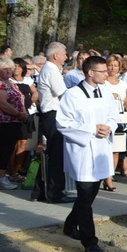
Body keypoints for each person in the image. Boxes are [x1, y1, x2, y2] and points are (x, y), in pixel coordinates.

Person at [57, 56, 118, 252]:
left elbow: (113, 115)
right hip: (82, 150)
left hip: (100, 149)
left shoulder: (106, 92)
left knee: (90, 195)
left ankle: (70, 224)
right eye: (102, 71)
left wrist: (109, 127)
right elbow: (63, 123)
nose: (106, 74)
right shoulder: (72, 95)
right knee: (84, 195)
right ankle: (90, 242)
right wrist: (92, 129)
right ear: (90, 73)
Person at [36, 42, 75, 203]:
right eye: (64, 53)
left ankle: (41, 190)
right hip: (53, 115)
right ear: (56, 55)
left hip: (51, 115)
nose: (66, 56)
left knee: (52, 154)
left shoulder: (51, 70)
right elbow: (63, 94)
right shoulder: (51, 71)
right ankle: (54, 192)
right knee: (56, 155)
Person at [0, 58, 28, 190]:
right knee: (6, 149)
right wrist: (18, 114)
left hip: (15, 121)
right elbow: (3, 104)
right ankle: (0, 178)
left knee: (10, 148)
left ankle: (5, 176)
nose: (8, 71)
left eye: (10, 68)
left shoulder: (11, 83)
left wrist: (22, 113)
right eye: (4, 68)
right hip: (4, 121)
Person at [103, 54, 127, 190]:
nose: (112, 68)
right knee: (107, 149)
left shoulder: (122, 83)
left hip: (119, 118)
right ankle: (105, 177)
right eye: (110, 65)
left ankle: (110, 176)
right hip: (106, 117)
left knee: (116, 150)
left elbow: (125, 100)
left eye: (115, 65)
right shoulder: (103, 82)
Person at [9, 58, 38, 181]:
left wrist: (30, 101)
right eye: (14, 66)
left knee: (23, 144)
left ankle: (17, 170)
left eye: (19, 66)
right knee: (12, 144)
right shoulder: (8, 81)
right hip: (12, 115)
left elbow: (35, 93)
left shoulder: (28, 80)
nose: (17, 68)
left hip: (27, 113)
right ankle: (10, 171)